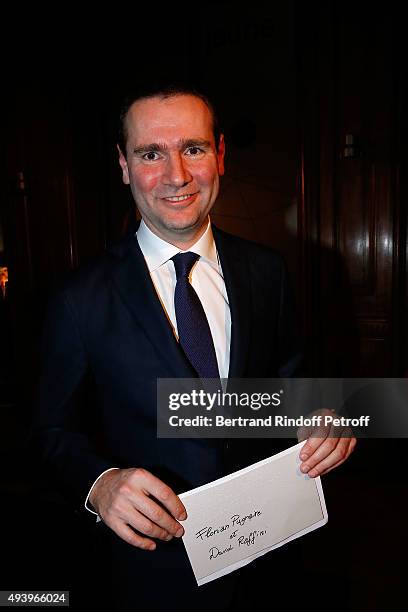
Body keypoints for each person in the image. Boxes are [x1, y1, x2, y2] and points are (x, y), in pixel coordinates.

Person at [33, 85, 356, 610]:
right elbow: (49, 431)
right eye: (150, 153)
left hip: (269, 556)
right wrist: (99, 484)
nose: (176, 175)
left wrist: (325, 417)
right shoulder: (77, 298)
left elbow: (293, 385)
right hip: (149, 575)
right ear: (123, 165)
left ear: (220, 155)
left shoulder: (267, 271)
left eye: (194, 149)